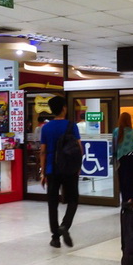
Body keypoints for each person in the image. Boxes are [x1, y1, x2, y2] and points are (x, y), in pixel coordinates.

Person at [40, 96, 82, 248]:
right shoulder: (72, 126)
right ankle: (65, 225)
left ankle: (55, 238)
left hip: (52, 169)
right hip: (69, 169)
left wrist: (43, 173)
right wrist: (78, 166)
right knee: (73, 200)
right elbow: (79, 147)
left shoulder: (46, 128)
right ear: (64, 108)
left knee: (52, 204)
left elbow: (43, 152)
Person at [112, 112, 133, 205]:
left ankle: (125, 201)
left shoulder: (116, 131)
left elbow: (114, 147)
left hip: (121, 160)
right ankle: (132, 201)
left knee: (123, 182)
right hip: (132, 160)